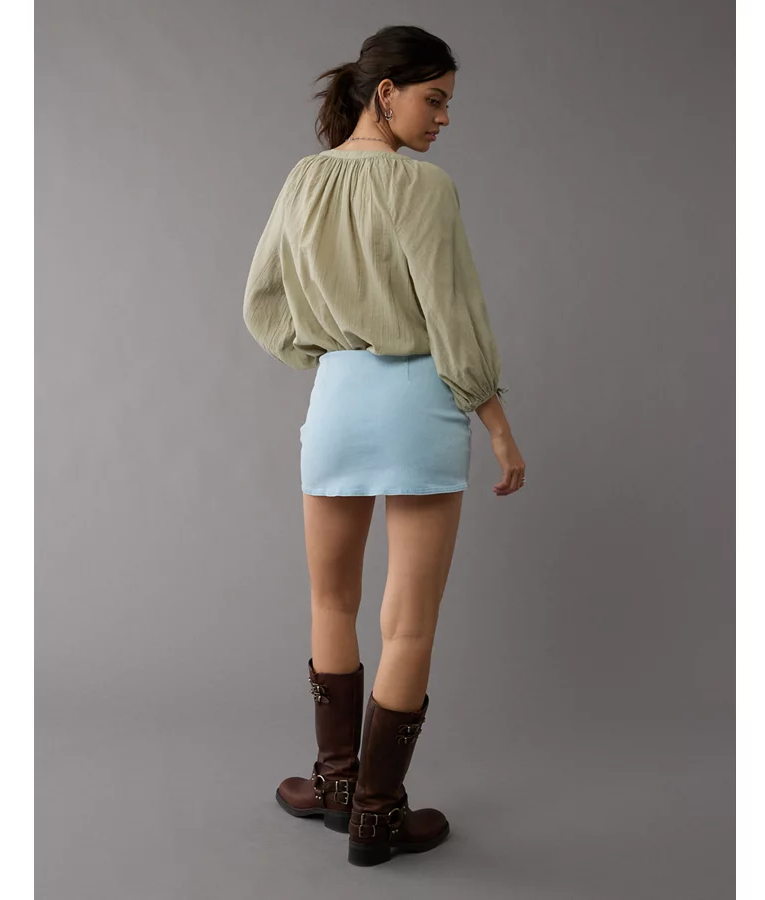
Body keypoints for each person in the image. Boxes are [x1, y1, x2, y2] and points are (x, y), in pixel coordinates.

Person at [242, 25, 527, 867]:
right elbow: (453, 315)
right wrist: (498, 423)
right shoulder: (424, 186)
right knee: (409, 621)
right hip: (419, 402)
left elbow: (263, 301)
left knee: (330, 601)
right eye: (434, 99)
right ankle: (375, 815)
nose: (444, 118)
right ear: (386, 93)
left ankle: (334, 787)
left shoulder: (304, 179)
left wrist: (333, 357)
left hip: (337, 399)